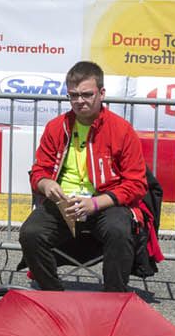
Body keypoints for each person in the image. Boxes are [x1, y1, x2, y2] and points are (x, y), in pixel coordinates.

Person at [21, 61, 148, 293]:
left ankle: (114, 297)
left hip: (105, 203)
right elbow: (38, 171)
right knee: (31, 233)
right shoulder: (56, 127)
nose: (79, 101)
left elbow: (137, 184)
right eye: (73, 95)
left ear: (101, 93)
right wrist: (45, 183)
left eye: (86, 94)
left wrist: (95, 203)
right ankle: (53, 294)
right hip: (63, 203)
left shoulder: (122, 130)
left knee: (119, 230)